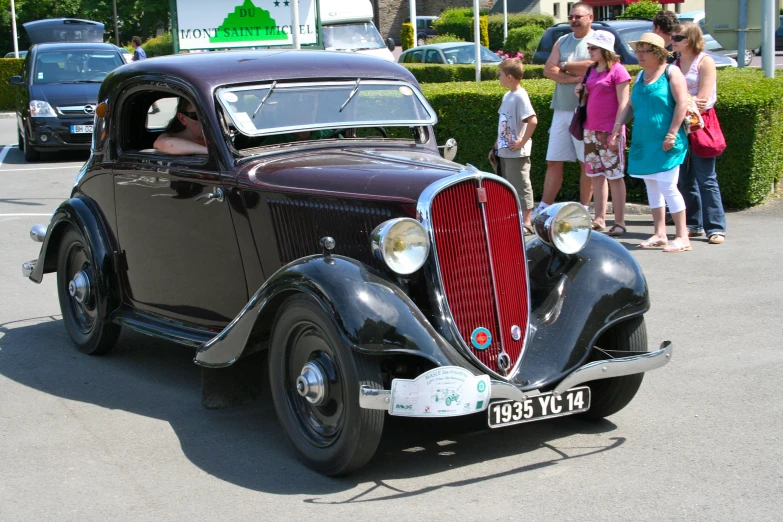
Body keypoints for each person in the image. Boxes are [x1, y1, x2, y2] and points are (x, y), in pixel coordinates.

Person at [614, 33, 690, 253]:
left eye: (644, 51)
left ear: (658, 53)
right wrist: (618, 125)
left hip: (667, 140)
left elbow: (682, 103)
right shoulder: (639, 76)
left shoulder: (671, 72)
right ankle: (659, 234)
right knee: (652, 186)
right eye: (638, 50)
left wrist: (672, 134)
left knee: (668, 185)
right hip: (644, 141)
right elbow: (629, 105)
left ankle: (682, 236)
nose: (639, 55)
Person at [538, 2, 603, 217]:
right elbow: (548, 69)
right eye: (571, 17)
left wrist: (564, 65)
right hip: (561, 109)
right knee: (553, 160)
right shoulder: (562, 40)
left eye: (578, 17)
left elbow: (592, 65)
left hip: (586, 111)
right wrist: (574, 77)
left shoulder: (597, 41)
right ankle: (544, 207)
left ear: (590, 17)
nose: (574, 21)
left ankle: (583, 209)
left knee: (586, 163)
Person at [672, 22, 727, 244]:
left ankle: (715, 227)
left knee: (706, 178)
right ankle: (693, 223)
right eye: (673, 36)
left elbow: (704, 100)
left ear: (690, 39)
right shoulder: (674, 64)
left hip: (701, 123)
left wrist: (683, 101)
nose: (673, 40)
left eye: (678, 37)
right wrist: (685, 102)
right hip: (680, 122)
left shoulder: (705, 62)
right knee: (684, 179)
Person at [575, 30, 631, 235]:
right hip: (590, 129)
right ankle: (599, 219)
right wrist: (582, 95)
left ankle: (620, 221)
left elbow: (624, 103)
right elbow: (588, 100)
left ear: (605, 49)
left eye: (593, 48)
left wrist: (617, 130)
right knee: (596, 175)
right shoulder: (590, 70)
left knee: (615, 175)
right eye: (588, 47)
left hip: (610, 130)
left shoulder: (618, 71)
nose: (589, 51)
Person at [488, 58, 538, 232]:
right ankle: (515, 219)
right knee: (508, 185)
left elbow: (533, 120)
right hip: (505, 151)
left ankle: (526, 222)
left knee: (521, 185)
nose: (498, 78)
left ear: (509, 77)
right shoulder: (508, 95)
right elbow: (503, 124)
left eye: (500, 75)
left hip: (517, 152)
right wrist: (496, 146)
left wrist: (521, 142)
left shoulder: (520, 96)